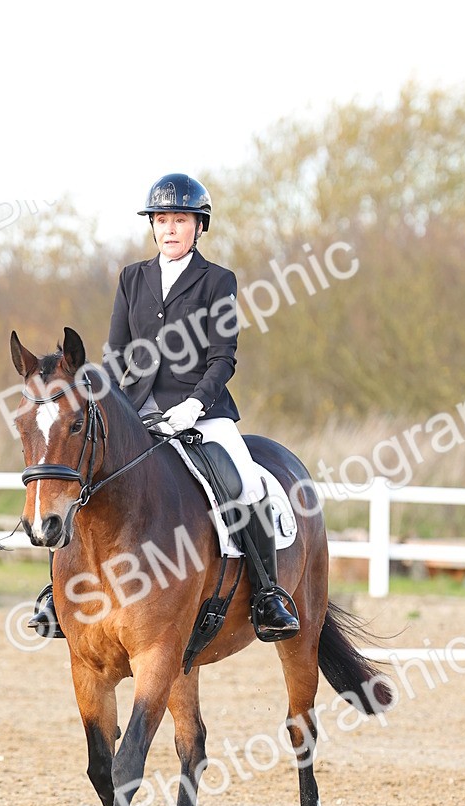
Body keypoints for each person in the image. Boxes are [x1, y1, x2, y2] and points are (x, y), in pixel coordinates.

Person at [30, 172, 299, 641]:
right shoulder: (132, 278)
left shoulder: (218, 281)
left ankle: (268, 594)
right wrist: (110, 404)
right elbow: (116, 353)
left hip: (203, 412)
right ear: (152, 226)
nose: (170, 229)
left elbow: (223, 357)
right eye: (162, 220)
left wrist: (194, 405)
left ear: (199, 226)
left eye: (180, 220)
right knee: (81, 474)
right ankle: (60, 594)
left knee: (245, 481)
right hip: (135, 411)